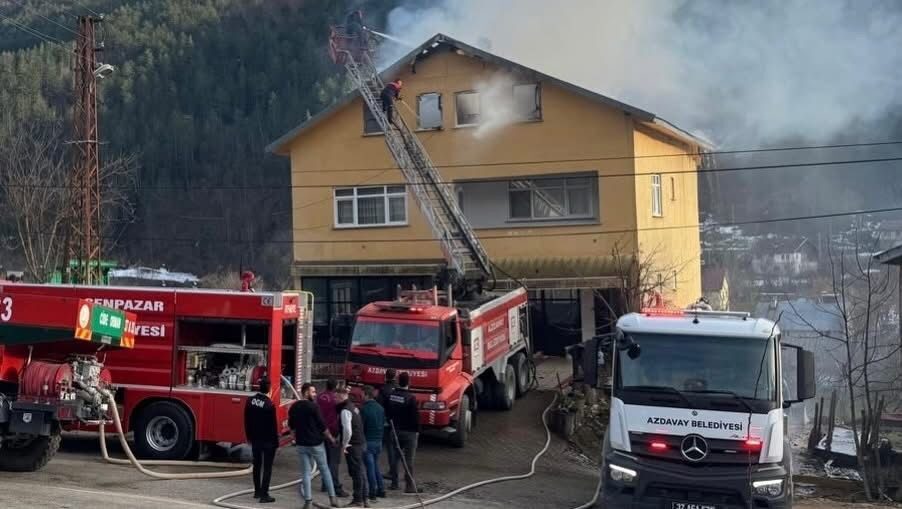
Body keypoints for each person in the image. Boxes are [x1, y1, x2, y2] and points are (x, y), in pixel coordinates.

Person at [289, 383, 340, 509]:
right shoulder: (314, 407)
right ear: (306, 392)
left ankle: (308, 501)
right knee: (324, 470)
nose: (315, 394)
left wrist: (295, 439)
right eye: (313, 392)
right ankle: (332, 498)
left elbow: (291, 427)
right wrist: (332, 439)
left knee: (305, 473)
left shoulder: (294, 407)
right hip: (316, 444)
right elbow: (322, 426)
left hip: (301, 444)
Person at [386, 372, 423, 494]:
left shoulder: (391, 395)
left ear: (398, 381)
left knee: (395, 458)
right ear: (409, 382)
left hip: (395, 430)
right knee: (409, 460)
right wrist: (417, 431)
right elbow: (415, 417)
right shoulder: (411, 398)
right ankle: (409, 486)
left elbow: (388, 412)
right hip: (409, 433)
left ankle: (394, 483)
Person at [243, 377, 278, 503]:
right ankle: (264, 495)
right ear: (269, 389)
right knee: (267, 468)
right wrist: (276, 442)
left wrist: (248, 436)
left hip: (255, 439)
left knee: (257, 465)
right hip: (268, 441)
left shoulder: (250, 401)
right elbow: (273, 426)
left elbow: (246, 420)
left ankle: (257, 491)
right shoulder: (269, 405)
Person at [337, 386, 369, 507]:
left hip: (353, 445)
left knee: (356, 472)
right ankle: (365, 498)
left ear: (341, 396)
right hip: (361, 442)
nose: (335, 400)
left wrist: (344, 445)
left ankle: (358, 499)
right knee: (361, 471)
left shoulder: (345, 410)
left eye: (336, 397)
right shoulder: (354, 407)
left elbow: (348, 430)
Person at [317, 379, 347, 497]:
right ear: (335, 387)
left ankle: (325, 484)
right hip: (332, 433)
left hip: (320, 432)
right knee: (333, 461)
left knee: (325, 460)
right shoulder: (335, 399)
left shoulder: (319, 397)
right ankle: (335, 487)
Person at [360, 385, 386, 501]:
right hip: (378, 441)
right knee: (375, 465)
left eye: (362, 394)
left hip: (368, 441)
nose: (361, 396)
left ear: (366, 395)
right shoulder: (380, 408)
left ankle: (372, 491)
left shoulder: (364, 409)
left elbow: (361, 427)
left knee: (369, 468)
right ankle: (381, 489)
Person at [377, 369, 399, 486]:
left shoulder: (383, 389)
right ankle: (394, 474)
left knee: (389, 448)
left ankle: (392, 473)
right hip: (398, 423)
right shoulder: (399, 389)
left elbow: (379, 406)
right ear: (395, 376)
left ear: (385, 377)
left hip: (387, 423)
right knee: (396, 449)